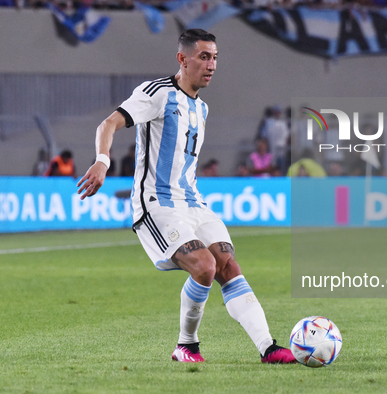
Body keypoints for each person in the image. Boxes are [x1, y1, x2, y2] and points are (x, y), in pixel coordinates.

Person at [76, 29, 295, 364]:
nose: (211, 65)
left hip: (193, 202)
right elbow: (108, 124)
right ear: (183, 58)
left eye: (215, 57)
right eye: (204, 57)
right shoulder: (157, 93)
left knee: (226, 263)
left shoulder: (201, 109)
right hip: (157, 204)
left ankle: (268, 347)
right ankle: (186, 345)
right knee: (204, 266)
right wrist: (102, 161)